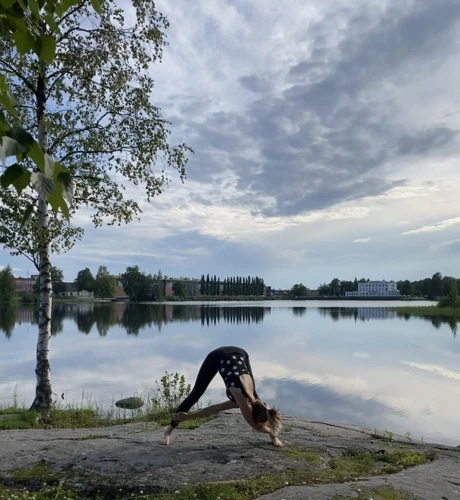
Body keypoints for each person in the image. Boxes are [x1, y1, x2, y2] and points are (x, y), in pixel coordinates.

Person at [162, 346, 283, 447]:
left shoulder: (259, 404)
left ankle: (273, 436)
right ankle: (168, 431)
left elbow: (214, 408)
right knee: (196, 394)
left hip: (241, 353)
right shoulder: (242, 402)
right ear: (251, 412)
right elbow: (256, 426)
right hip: (217, 356)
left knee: (254, 393)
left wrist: (274, 436)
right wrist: (186, 417)